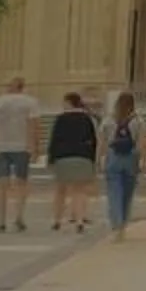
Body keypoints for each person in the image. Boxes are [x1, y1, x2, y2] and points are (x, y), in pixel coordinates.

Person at [0, 76, 40, 233]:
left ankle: (1, 220)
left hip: (0, 146)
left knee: (2, 183)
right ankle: (19, 215)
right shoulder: (30, 102)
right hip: (22, 146)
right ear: (22, 87)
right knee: (21, 182)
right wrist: (36, 147)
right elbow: (34, 125)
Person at [45, 89, 99, 229]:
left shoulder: (61, 119)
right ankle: (80, 220)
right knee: (79, 190)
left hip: (63, 157)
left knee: (60, 190)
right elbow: (93, 141)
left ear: (68, 103)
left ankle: (57, 220)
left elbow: (54, 140)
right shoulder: (87, 119)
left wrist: (50, 158)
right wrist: (92, 159)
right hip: (82, 156)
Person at [103, 91, 142, 237]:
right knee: (127, 193)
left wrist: (100, 158)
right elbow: (140, 143)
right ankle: (123, 223)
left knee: (114, 192)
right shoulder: (138, 120)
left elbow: (102, 140)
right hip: (131, 157)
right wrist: (142, 161)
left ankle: (116, 222)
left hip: (113, 156)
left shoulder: (109, 119)